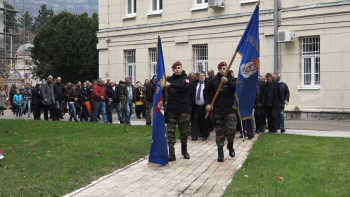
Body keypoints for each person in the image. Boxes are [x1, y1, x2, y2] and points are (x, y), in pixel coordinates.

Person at [204, 61, 237, 162]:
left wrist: (228, 82)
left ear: (227, 69)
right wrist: (208, 104)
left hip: (230, 110)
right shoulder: (213, 81)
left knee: (231, 131)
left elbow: (237, 90)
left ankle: (230, 145)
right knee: (219, 132)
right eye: (221, 69)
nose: (223, 70)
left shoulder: (232, 79)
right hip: (218, 111)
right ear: (218, 70)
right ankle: (220, 153)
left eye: (224, 68)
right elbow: (206, 92)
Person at [165, 61, 192, 161]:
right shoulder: (168, 79)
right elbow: (163, 92)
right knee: (171, 132)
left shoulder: (186, 79)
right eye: (175, 68)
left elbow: (184, 88)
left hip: (183, 110)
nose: (177, 69)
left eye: (179, 67)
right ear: (173, 69)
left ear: (182, 68)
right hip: (171, 109)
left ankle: (184, 151)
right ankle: (171, 154)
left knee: (184, 132)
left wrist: (171, 85)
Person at [190, 72, 210, 141]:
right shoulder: (194, 84)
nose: (201, 77)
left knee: (204, 120)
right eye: (200, 76)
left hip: (205, 105)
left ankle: (204, 135)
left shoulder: (208, 84)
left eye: (203, 76)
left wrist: (209, 104)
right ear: (197, 77)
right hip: (196, 105)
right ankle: (194, 135)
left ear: (205, 77)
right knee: (195, 120)